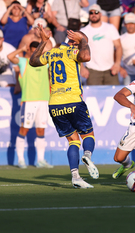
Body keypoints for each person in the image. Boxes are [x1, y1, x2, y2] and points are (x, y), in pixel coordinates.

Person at [29, 24, 99, 189]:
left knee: (73, 141)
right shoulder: (74, 52)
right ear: (75, 42)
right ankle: (87, 155)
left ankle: (75, 177)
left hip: (55, 105)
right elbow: (86, 56)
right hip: (73, 100)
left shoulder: (52, 53)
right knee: (88, 134)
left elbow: (33, 61)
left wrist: (43, 42)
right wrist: (83, 41)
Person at [7, 42, 53, 169]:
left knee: (41, 130)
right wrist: (20, 49)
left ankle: (40, 160)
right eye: (32, 51)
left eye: (36, 51)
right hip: (29, 100)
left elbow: (52, 52)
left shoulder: (45, 62)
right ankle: (21, 160)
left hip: (43, 100)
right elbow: (10, 57)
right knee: (24, 129)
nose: (34, 53)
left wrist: (43, 47)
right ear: (28, 50)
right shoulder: (24, 62)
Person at [80, 4, 122, 85]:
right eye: (91, 13)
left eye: (96, 12)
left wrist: (117, 64)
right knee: (91, 96)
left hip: (110, 69)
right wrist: (82, 68)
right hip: (92, 71)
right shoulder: (84, 31)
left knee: (114, 96)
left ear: (100, 14)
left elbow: (118, 46)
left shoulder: (110, 28)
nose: (94, 15)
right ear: (88, 15)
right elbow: (78, 50)